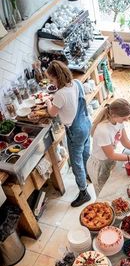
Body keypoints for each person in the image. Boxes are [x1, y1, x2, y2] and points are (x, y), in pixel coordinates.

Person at [46, 61, 91, 207]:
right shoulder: (76, 83)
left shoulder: (59, 94)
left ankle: (84, 192)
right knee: (85, 152)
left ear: (57, 77)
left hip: (75, 131)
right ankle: (89, 174)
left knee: (76, 161)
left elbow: (52, 113)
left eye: (52, 80)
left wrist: (48, 102)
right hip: (85, 123)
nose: (51, 82)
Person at [87, 99, 130, 196]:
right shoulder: (103, 130)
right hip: (98, 166)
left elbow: (125, 142)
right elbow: (111, 155)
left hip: (109, 161)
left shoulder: (118, 122)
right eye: (124, 118)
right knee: (104, 195)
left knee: (113, 191)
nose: (127, 120)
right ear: (114, 115)